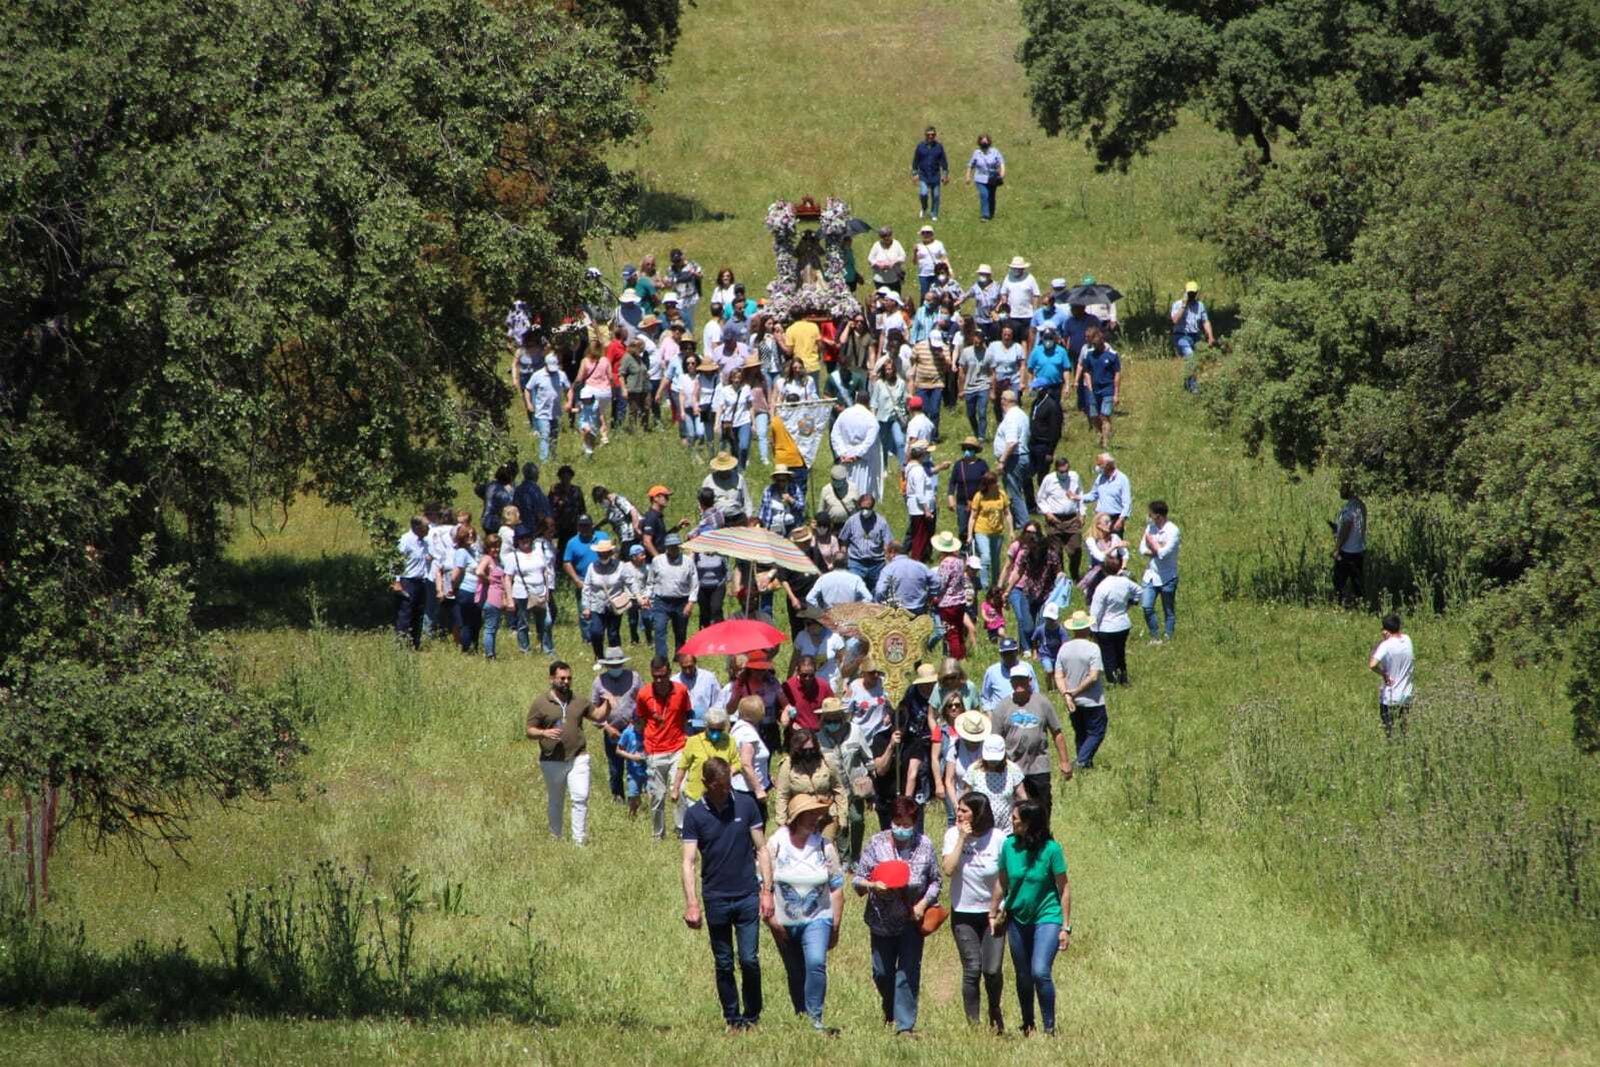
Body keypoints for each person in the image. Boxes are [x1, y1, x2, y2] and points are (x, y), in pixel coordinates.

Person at [681, 757, 774, 1032]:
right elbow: (688, 861)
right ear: (706, 784)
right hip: (716, 896)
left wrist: (767, 890)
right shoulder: (695, 815)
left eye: (727, 785)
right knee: (723, 962)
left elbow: (763, 849)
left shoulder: (746, 805)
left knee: (749, 959)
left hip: (747, 894)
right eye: (720, 787)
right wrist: (692, 903)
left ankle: (753, 1015)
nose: (725, 791)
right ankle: (732, 1018)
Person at [853, 796, 941, 1034]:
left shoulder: (925, 845)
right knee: (882, 973)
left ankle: (904, 1026)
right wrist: (873, 885)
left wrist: (923, 904)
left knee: (908, 971)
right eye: (897, 822)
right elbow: (858, 880)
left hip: (911, 921)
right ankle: (890, 1008)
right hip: (881, 920)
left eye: (906, 823)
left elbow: (935, 881)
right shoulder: (876, 843)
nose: (901, 828)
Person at [765, 794, 845, 1033]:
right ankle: (802, 1016)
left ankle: (815, 1019)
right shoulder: (776, 844)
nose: (813, 819)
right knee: (795, 971)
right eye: (808, 815)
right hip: (784, 920)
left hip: (818, 918)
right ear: (795, 817)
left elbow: (837, 886)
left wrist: (835, 925)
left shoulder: (824, 846)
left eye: (816, 815)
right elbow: (763, 883)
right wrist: (770, 920)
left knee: (816, 963)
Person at [991, 799, 1070, 1036]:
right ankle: (1028, 1023)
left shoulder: (1052, 850)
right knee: (1023, 975)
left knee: (1039, 971)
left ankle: (1049, 1027)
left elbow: (1064, 888)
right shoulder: (1008, 846)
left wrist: (1066, 926)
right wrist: (993, 911)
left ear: (1029, 824)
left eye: (1015, 818)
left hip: (1047, 916)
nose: (1011, 821)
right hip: (1018, 918)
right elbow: (1002, 882)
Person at [943, 791, 1007, 1031]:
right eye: (958, 809)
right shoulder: (952, 835)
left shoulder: (998, 838)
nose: (958, 814)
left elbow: (1006, 875)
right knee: (972, 968)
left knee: (991, 970)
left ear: (978, 813)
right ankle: (974, 1024)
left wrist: (1002, 907)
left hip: (993, 914)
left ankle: (994, 1010)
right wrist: (961, 839)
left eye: (964, 810)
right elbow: (948, 869)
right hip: (963, 913)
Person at [525, 660, 608, 844]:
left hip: (578, 756)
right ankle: (556, 838)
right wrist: (543, 732)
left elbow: (598, 716)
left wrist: (608, 702)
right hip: (551, 760)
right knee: (556, 800)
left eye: (569, 678)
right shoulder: (541, 703)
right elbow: (529, 730)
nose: (566, 681)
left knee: (580, 797)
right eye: (562, 678)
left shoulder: (579, 700)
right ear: (551, 679)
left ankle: (579, 841)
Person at [990, 667, 1070, 812]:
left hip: (1039, 766)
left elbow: (1057, 733)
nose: (1018, 683)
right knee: (1016, 809)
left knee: (1042, 807)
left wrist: (1064, 761)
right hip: (1012, 767)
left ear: (1029, 680)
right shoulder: (1002, 707)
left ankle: (1043, 834)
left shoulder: (1042, 703)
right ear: (1011, 682)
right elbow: (994, 740)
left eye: (1022, 679)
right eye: (1015, 680)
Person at [636, 655, 692, 841]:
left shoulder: (681, 691)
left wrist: (681, 735)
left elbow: (685, 715)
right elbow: (642, 719)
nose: (659, 680)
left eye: (662, 676)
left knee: (682, 790)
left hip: (678, 748)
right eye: (655, 677)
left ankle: (682, 829)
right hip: (654, 750)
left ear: (669, 672)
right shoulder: (644, 694)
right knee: (657, 796)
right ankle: (658, 834)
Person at [1054, 611, 1107, 772]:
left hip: (1073, 701)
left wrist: (1066, 694)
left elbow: (1058, 675)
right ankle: (1081, 762)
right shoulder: (1093, 648)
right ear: (1087, 627)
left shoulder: (1064, 649)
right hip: (1092, 700)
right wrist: (1075, 691)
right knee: (1097, 731)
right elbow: (1093, 676)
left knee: (1080, 732)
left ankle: (1085, 764)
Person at [1001, 521, 1060, 656]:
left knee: (1041, 625)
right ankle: (1030, 647)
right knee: (1027, 626)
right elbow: (1018, 573)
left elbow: (1058, 572)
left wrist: (1060, 585)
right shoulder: (1026, 554)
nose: (1030, 548)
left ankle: (1038, 651)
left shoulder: (1051, 555)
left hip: (1046, 594)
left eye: (1033, 546)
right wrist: (1007, 590)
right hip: (1028, 593)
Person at [674, 706, 747, 809]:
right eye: (712, 729)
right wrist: (675, 789)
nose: (715, 733)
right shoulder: (693, 741)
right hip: (695, 795)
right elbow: (682, 767)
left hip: (720, 795)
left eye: (719, 730)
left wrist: (730, 771)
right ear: (706, 726)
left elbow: (738, 762)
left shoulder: (730, 741)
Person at [643, 533, 697, 661]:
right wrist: (647, 597)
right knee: (659, 629)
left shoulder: (688, 562)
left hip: (681, 601)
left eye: (675, 546)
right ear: (666, 547)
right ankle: (661, 658)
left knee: (680, 631)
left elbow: (694, 584)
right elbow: (651, 581)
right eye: (670, 547)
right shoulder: (657, 561)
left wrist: (690, 603)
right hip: (661, 601)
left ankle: (679, 655)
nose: (673, 549)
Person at [506, 526, 557, 656]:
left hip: (541, 592)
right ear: (517, 541)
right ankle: (525, 650)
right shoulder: (513, 556)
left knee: (547, 621)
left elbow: (545, 571)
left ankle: (548, 649)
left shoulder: (538, 552)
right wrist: (510, 599)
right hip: (523, 593)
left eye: (527, 537)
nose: (525, 540)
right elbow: (508, 578)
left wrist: (547, 589)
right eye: (521, 538)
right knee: (523, 623)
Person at [1089, 554, 1139, 685]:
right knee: (1120, 653)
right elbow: (1139, 591)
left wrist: (1092, 629)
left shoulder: (1102, 587)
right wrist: (1131, 602)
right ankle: (1124, 678)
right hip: (1123, 624)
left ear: (1104, 569)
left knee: (1108, 656)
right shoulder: (1125, 582)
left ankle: (1113, 681)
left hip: (1106, 627)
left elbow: (1096, 611)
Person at [961, 733, 1027, 830]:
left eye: (995, 759)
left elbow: (1022, 797)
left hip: (1007, 828)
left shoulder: (1013, 769)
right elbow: (965, 798)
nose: (992, 762)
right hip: (980, 829)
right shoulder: (973, 770)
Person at [1138, 500, 1181, 643]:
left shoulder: (1172, 531)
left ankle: (1168, 637)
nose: (1149, 518)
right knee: (1146, 606)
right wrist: (1155, 549)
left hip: (1168, 576)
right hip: (1151, 575)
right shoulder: (1150, 528)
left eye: (1151, 515)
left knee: (1168, 610)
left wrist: (1153, 543)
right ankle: (1155, 636)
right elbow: (1142, 549)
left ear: (1159, 516)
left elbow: (1164, 553)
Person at [1037, 455, 1084, 581]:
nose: (1064, 474)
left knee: (1076, 549)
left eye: (1066, 471)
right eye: (1061, 472)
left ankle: (1075, 574)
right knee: (1055, 551)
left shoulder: (1074, 477)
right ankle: (1059, 576)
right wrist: (1047, 513)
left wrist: (1082, 513)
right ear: (1056, 469)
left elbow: (1080, 495)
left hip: (1072, 519)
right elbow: (1040, 498)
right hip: (1054, 519)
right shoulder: (1049, 479)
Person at [830, 392, 883, 501]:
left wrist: (842, 453)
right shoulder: (871, 419)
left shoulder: (844, 414)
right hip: (862, 462)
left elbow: (835, 434)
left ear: (855, 400)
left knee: (844, 490)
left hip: (846, 458)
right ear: (868, 402)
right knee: (861, 491)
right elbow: (870, 441)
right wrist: (857, 455)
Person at [1075, 326, 1122, 448]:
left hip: (1107, 389)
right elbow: (1086, 371)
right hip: (1094, 389)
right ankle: (1102, 433)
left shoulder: (1112, 355)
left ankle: (1106, 442)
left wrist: (1116, 393)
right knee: (1094, 416)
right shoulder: (1090, 355)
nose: (1094, 346)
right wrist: (1089, 386)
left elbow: (1117, 374)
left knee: (1105, 416)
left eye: (1096, 344)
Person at [967, 469, 1012, 590]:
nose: (997, 484)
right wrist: (970, 535)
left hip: (997, 532)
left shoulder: (1001, 494)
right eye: (994, 482)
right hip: (982, 531)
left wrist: (1011, 530)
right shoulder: (979, 496)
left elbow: (1007, 513)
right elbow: (973, 517)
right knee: (985, 556)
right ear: (987, 484)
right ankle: (984, 584)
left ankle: (996, 583)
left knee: (996, 559)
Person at [1370, 614, 1415, 737]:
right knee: (1404, 731)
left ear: (1384, 630)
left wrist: (1384, 674)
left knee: (1390, 734)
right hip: (1406, 696)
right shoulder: (1407, 639)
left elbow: (1372, 664)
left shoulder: (1385, 645)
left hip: (1389, 698)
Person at [992, 390, 1031, 531]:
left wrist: (1002, 461)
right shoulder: (1021, 414)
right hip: (1021, 456)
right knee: (1016, 491)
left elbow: (1012, 441)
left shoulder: (1011, 417)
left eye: (1001, 400)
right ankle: (1018, 521)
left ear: (1004, 401)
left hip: (1014, 458)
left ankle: (1024, 524)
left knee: (1014, 493)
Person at [932, 531, 973, 659]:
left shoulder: (945, 563)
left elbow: (941, 583)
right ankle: (962, 653)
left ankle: (956, 658)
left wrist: (933, 596)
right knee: (959, 630)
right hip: (960, 600)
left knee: (951, 632)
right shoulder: (960, 561)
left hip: (947, 602)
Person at [731, 695, 773, 820]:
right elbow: (746, 764)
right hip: (748, 791)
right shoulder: (747, 734)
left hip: (744, 788)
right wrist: (758, 789)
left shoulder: (739, 727)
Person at [1170, 280, 1216, 393]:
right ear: (1185, 292)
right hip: (1181, 336)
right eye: (1189, 293)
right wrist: (1183, 306)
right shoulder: (1177, 304)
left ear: (1196, 293)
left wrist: (1210, 336)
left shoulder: (1200, 306)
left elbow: (1205, 321)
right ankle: (1194, 387)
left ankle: (1187, 383)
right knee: (1191, 357)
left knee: (1194, 361)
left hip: (1195, 336)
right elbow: (1174, 320)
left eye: (1193, 293)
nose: (1191, 295)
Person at [393, 515, 431, 649]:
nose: (429, 529)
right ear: (417, 527)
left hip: (421, 581)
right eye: (426, 527)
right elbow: (396, 561)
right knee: (406, 613)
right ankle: (401, 645)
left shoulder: (424, 542)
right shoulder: (405, 540)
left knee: (419, 613)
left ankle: (415, 644)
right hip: (408, 581)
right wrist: (396, 582)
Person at [839, 494, 891, 588]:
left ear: (872, 507)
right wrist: (844, 557)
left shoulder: (882, 522)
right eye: (862, 508)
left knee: (877, 590)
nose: (865, 511)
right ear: (859, 506)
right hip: (856, 562)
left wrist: (888, 562)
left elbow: (887, 543)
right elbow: (844, 540)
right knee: (854, 588)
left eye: (868, 508)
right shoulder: (852, 521)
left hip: (876, 563)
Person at [870, 355, 909, 469]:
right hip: (882, 418)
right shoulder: (879, 384)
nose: (888, 372)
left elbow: (903, 400)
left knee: (900, 442)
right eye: (886, 369)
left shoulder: (901, 383)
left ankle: (903, 467)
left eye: (890, 369)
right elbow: (874, 402)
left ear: (894, 370)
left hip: (895, 418)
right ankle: (884, 466)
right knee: (883, 444)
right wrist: (873, 417)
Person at [978, 638, 1037, 712]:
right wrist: (989, 712)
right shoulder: (992, 671)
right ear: (1000, 654)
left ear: (1016, 652)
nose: (1008, 656)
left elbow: (1035, 691)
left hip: (1023, 712)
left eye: (1011, 653)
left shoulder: (1026, 668)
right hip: (999, 714)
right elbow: (984, 697)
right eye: (1005, 654)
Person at [1333, 483, 1367, 608]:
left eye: (1342, 487)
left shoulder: (1350, 507)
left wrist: (1337, 548)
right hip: (1359, 549)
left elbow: (1347, 527)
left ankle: (1341, 605)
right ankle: (1361, 605)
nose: (1340, 490)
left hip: (1347, 550)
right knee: (1357, 581)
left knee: (1339, 581)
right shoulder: (1360, 505)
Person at [1082, 452, 1132, 537]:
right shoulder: (1100, 478)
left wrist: (1121, 520)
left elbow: (1127, 503)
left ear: (1108, 465)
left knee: (1115, 546)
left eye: (1100, 465)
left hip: (1115, 519)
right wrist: (1077, 498)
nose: (1098, 468)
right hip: (1100, 518)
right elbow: (1093, 495)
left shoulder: (1122, 479)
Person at [675, 652, 723, 736]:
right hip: (684, 729)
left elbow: (718, 701)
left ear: (695, 662)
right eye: (684, 668)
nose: (687, 671)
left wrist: (713, 721)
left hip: (706, 726)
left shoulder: (708, 678)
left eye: (690, 666)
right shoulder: (675, 681)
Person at [476, 533, 507, 660]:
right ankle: (489, 655)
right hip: (490, 598)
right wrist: (489, 579)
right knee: (490, 628)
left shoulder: (497, 560)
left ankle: (491, 652)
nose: (496, 549)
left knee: (493, 627)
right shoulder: (487, 559)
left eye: (498, 546)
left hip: (497, 598)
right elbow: (479, 571)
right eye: (493, 547)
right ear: (487, 547)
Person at [806, 553, 873, 612]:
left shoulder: (823, 578)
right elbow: (869, 598)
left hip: (830, 616)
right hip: (849, 616)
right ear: (847, 563)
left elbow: (809, 598)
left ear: (832, 563)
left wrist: (820, 611)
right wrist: (857, 609)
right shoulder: (855, 579)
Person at [911, 126, 949, 221]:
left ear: (935, 135)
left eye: (933, 134)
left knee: (936, 195)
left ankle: (934, 213)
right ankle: (924, 209)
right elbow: (915, 161)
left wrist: (945, 174)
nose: (931, 136)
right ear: (925, 135)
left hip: (935, 175)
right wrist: (915, 173)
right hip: (923, 175)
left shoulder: (939, 147)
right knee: (923, 193)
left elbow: (944, 162)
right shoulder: (920, 147)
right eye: (929, 135)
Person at [965, 134, 1005, 221]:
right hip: (980, 178)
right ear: (979, 142)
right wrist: (968, 176)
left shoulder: (995, 152)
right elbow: (970, 165)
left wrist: (1002, 175)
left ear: (989, 142)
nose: (984, 143)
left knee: (991, 196)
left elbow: (1001, 163)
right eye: (982, 141)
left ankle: (991, 213)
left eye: (985, 141)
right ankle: (985, 215)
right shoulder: (976, 153)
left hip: (992, 178)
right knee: (984, 195)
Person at [997, 258, 1038, 341]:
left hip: (1027, 314)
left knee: (1026, 338)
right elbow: (1003, 293)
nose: (1016, 270)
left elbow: (1036, 294)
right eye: (1014, 268)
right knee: (1014, 338)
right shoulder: (1008, 277)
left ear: (1023, 268)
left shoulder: (1030, 278)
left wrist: (1035, 310)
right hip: (1013, 315)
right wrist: (1005, 308)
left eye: (1018, 269)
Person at [912, 225, 950, 301]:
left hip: (937, 273)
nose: (926, 235)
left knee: (938, 293)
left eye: (928, 233)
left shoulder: (938, 244)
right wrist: (914, 252)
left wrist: (948, 270)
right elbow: (914, 262)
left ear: (932, 234)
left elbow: (944, 257)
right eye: (923, 233)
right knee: (924, 295)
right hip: (923, 274)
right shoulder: (918, 246)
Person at [867, 226, 907, 296]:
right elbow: (870, 258)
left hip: (894, 278)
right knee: (881, 300)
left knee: (894, 299)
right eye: (884, 237)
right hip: (880, 279)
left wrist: (894, 262)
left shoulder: (896, 243)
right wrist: (878, 265)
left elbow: (903, 256)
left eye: (888, 236)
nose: (886, 238)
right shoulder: (877, 245)